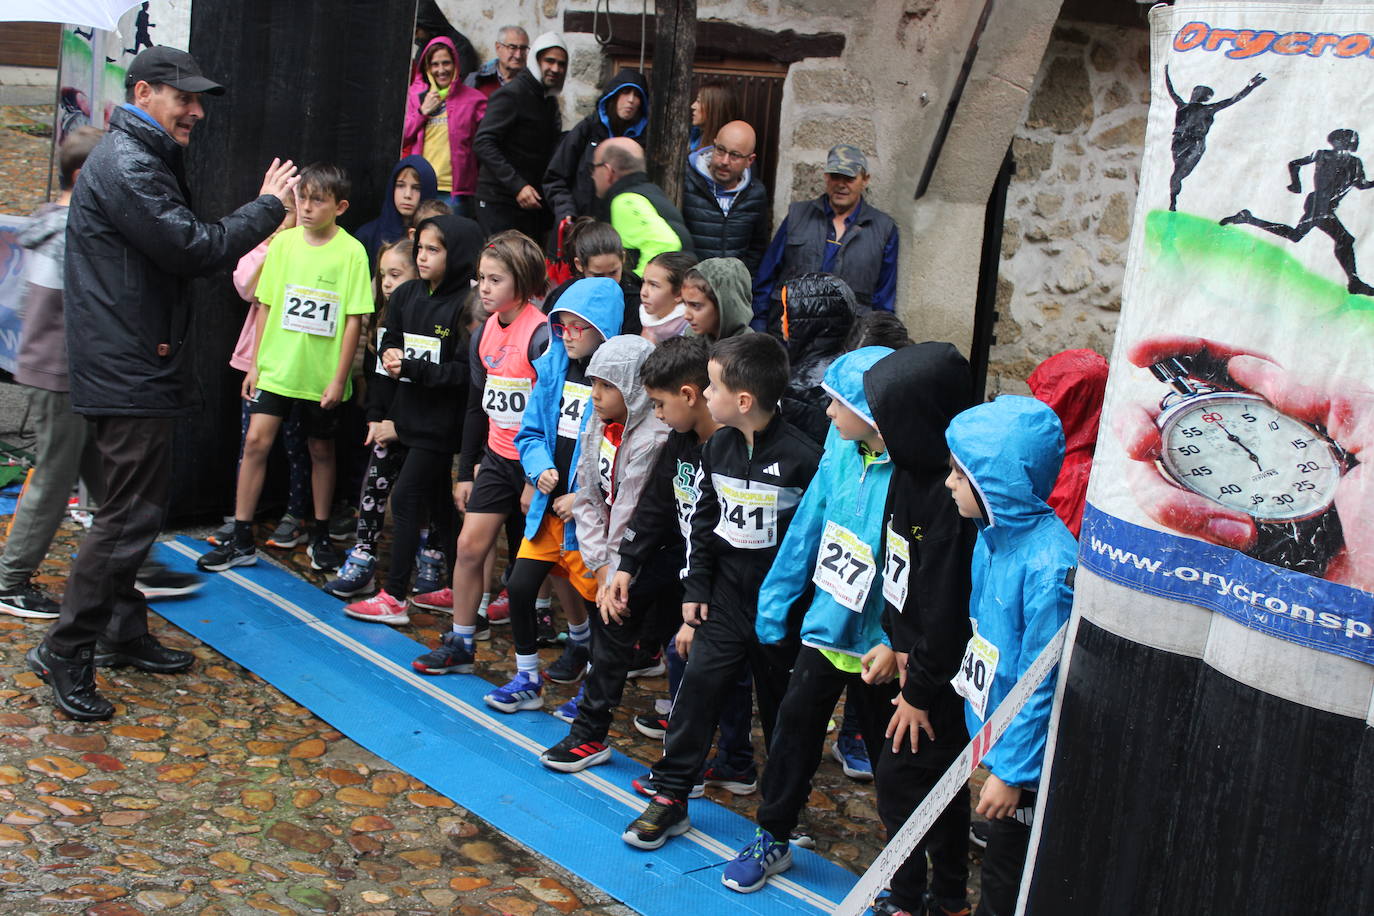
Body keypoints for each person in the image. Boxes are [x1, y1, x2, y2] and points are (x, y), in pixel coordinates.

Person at [28, 46, 298, 722]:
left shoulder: (134, 157)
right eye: (187, 99)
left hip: (126, 361)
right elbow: (193, 247)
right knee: (127, 519)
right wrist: (267, 208)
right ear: (145, 92)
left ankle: (120, 631)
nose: (198, 111)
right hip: (128, 369)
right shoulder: (128, 163)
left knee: (127, 508)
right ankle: (66, 648)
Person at [622, 334, 822, 851]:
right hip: (725, 602)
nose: (707, 397)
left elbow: (813, 542)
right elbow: (705, 524)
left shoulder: (804, 460)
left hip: (781, 612)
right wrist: (697, 588)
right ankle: (670, 796)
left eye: (713, 387)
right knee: (696, 694)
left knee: (783, 712)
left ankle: (783, 814)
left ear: (744, 400)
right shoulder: (720, 447)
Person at [718, 345, 898, 894]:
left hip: (881, 644)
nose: (825, 413)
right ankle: (773, 834)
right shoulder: (839, 450)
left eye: (837, 403)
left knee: (893, 760)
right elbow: (808, 528)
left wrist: (897, 640)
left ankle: (904, 867)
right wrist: (776, 602)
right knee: (794, 729)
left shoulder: (914, 471)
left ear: (872, 409)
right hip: (827, 625)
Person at [197, 163, 372, 575]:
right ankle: (241, 536)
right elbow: (266, 305)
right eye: (302, 198)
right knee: (256, 442)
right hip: (276, 368)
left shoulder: (352, 253)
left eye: (317, 200)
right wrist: (255, 365)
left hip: (319, 375)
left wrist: (339, 377)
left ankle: (322, 534)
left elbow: (353, 319)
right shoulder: (282, 245)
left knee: (320, 450)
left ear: (339, 206)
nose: (307, 208)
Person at [945, 396, 1076, 916]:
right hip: (997, 734)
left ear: (994, 481)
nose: (949, 484)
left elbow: (1041, 680)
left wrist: (1014, 773)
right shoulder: (990, 538)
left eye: (960, 474)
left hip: (1026, 763)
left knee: (1006, 875)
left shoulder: (1050, 568)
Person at [865, 343, 978, 916]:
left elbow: (947, 607)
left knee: (901, 783)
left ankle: (909, 899)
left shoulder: (952, 499)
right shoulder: (907, 471)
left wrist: (918, 689)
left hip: (938, 680)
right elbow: (897, 568)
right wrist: (893, 641)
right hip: (914, 662)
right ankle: (949, 897)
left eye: (889, 418)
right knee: (936, 784)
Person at [482, 278, 625, 712]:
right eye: (560, 327)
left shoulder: (615, 384)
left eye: (575, 327)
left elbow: (618, 455)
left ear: (601, 328)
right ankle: (527, 675)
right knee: (520, 586)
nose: (566, 336)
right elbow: (530, 432)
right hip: (548, 512)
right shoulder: (552, 366)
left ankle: (595, 688)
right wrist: (539, 466)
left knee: (595, 604)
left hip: (588, 526)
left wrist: (581, 498)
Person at [411, 232, 550, 673]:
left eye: (495, 280)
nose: (484, 288)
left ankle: (580, 642)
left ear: (523, 283)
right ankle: (462, 640)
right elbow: (477, 405)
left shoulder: (541, 335)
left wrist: (535, 476)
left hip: (534, 464)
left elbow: (550, 412)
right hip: (494, 458)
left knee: (545, 567)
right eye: (480, 279)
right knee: (469, 546)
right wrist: (465, 471)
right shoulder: (483, 334)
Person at [538, 333, 671, 765]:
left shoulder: (656, 436)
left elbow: (633, 508)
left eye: (607, 386)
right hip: (614, 559)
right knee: (611, 638)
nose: (595, 395)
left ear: (633, 387)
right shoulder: (597, 422)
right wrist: (598, 565)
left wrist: (615, 573)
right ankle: (590, 733)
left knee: (656, 640)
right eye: (593, 383)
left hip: (651, 554)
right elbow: (589, 494)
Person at [342, 216, 483, 622]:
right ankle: (459, 589)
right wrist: (388, 361)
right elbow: (388, 338)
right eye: (419, 247)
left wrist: (416, 368)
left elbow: (465, 374)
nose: (422, 256)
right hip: (406, 417)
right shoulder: (405, 295)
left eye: (433, 250)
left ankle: (394, 596)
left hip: (440, 425)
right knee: (440, 505)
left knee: (404, 499)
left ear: (456, 254)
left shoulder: (466, 305)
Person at [0, 128, 108, 619]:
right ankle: (10, 580)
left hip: (64, 370)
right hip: (60, 371)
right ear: (85, 177)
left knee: (98, 469)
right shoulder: (69, 231)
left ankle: (122, 561)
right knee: (53, 475)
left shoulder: (53, 222)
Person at [204, 200, 313, 553]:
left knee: (298, 443)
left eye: (289, 214)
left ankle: (296, 514)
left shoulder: (310, 253)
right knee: (251, 442)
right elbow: (246, 286)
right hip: (260, 363)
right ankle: (241, 520)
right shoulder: (267, 247)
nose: (282, 222)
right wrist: (271, 245)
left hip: (299, 363)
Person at [324, 238, 419, 598]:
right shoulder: (383, 320)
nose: (388, 283)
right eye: (383, 276)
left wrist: (402, 424)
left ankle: (431, 559)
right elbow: (378, 378)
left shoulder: (427, 318)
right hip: (386, 424)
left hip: (420, 426)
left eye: (396, 274)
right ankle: (363, 557)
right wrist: (377, 417)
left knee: (422, 497)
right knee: (373, 487)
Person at [753, 144, 899, 329]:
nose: (841, 184)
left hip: (847, 340)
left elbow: (884, 300)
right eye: (835, 176)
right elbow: (766, 278)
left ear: (865, 180)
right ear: (826, 177)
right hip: (790, 333)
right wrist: (759, 327)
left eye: (849, 178)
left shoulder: (883, 229)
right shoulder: (797, 216)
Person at [1221, 128, 1374, 296]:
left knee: (1298, 236)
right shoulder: (1323, 155)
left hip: (1326, 206)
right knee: (1343, 239)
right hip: (1318, 204)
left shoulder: (1354, 163)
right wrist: (1296, 183)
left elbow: (1362, 184)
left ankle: (1248, 219)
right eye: (1349, 139)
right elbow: (1294, 164)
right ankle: (1354, 282)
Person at [472, 32, 567, 242]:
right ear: (536, 60)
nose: (555, 69)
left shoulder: (547, 101)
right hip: (498, 201)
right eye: (549, 61)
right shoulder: (512, 94)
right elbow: (483, 143)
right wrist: (518, 186)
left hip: (528, 205)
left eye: (561, 64)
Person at [544, 70, 650, 225]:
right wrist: (566, 211)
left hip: (615, 234)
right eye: (625, 93)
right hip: (575, 228)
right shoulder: (588, 129)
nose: (631, 100)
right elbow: (555, 177)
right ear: (613, 96)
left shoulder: (641, 142)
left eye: (637, 95)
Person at [401, 38, 487, 218]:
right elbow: (403, 137)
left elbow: (486, 143)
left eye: (446, 63)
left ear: (455, 63)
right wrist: (422, 111)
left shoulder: (474, 100)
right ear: (427, 67)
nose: (441, 70)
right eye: (435, 64)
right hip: (421, 185)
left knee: (451, 240)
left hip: (457, 192)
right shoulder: (416, 97)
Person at [1027, 349, 1108, 538]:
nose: (1033, 404)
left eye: (1041, 397)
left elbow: (1053, 544)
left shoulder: (1075, 477)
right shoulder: (1054, 456)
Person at [1164, 66, 1264, 212]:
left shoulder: (1206, 109)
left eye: (1201, 93)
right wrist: (1165, 71)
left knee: (1179, 172)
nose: (1197, 95)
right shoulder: (1183, 106)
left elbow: (1233, 100)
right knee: (1178, 172)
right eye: (1197, 92)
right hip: (1180, 142)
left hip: (1194, 143)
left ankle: (1173, 201)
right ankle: (1173, 200)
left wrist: (1251, 86)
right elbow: (1171, 90)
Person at [777, 273, 860, 444]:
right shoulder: (845, 364)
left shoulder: (802, 387)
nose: (782, 318)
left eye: (787, 312)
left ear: (806, 321)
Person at [682, 120, 771, 273]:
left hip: (730, 290)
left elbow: (757, 247)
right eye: (721, 150)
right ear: (714, 144)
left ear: (749, 160)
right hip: (690, 287)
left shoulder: (755, 194)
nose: (724, 161)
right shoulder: (686, 182)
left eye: (735, 156)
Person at [592, 138, 693, 271]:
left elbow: (665, 244)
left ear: (608, 171)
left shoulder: (625, 202)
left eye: (593, 167)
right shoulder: (651, 192)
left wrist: (637, 287)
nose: (592, 175)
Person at [542, 219, 643, 335]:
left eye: (613, 272)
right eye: (597, 276)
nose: (608, 282)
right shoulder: (563, 297)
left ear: (623, 259)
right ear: (579, 265)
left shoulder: (636, 300)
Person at [356, 157, 438, 270]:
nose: (407, 195)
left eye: (416, 188)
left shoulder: (439, 236)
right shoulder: (367, 235)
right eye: (400, 185)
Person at [681, 258, 753, 341]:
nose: (686, 316)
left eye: (695, 305)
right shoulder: (691, 338)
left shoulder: (749, 349)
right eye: (685, 304)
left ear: (723, 305)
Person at [413, 0, 479, 84]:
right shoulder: (423, 50)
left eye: (417, 31)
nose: (415, 37)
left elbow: (461, 83)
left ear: (428, 25)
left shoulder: (460, 47)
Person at [638, 250, 696, 344]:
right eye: (644, 282)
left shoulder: (691, 329)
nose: (643, 292)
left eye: (653, 285)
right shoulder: (646, 320)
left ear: (679, 294)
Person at [466, 26, 530, 98]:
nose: (518, 55)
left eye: (523, 48)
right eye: (512, 48)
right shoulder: (476, 80)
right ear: (498, 47)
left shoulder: (533, 82)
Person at [689, 79, 738, 153]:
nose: (692, 106)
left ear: (714, 108)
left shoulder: (721, 152)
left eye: (699, 101)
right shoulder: (696, 134)